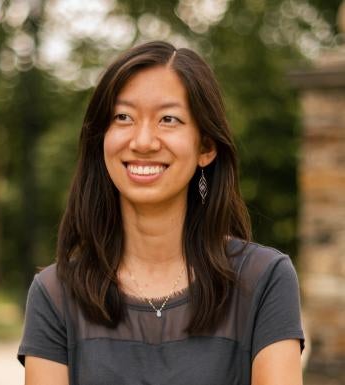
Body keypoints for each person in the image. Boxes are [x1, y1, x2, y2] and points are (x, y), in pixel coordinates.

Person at [17, 41, 305, 385]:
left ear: (206, 147)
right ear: (101, 138)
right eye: (123, 117)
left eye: (168, 119)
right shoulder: (55, 293)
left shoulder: (264, 279)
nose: (142, 141)